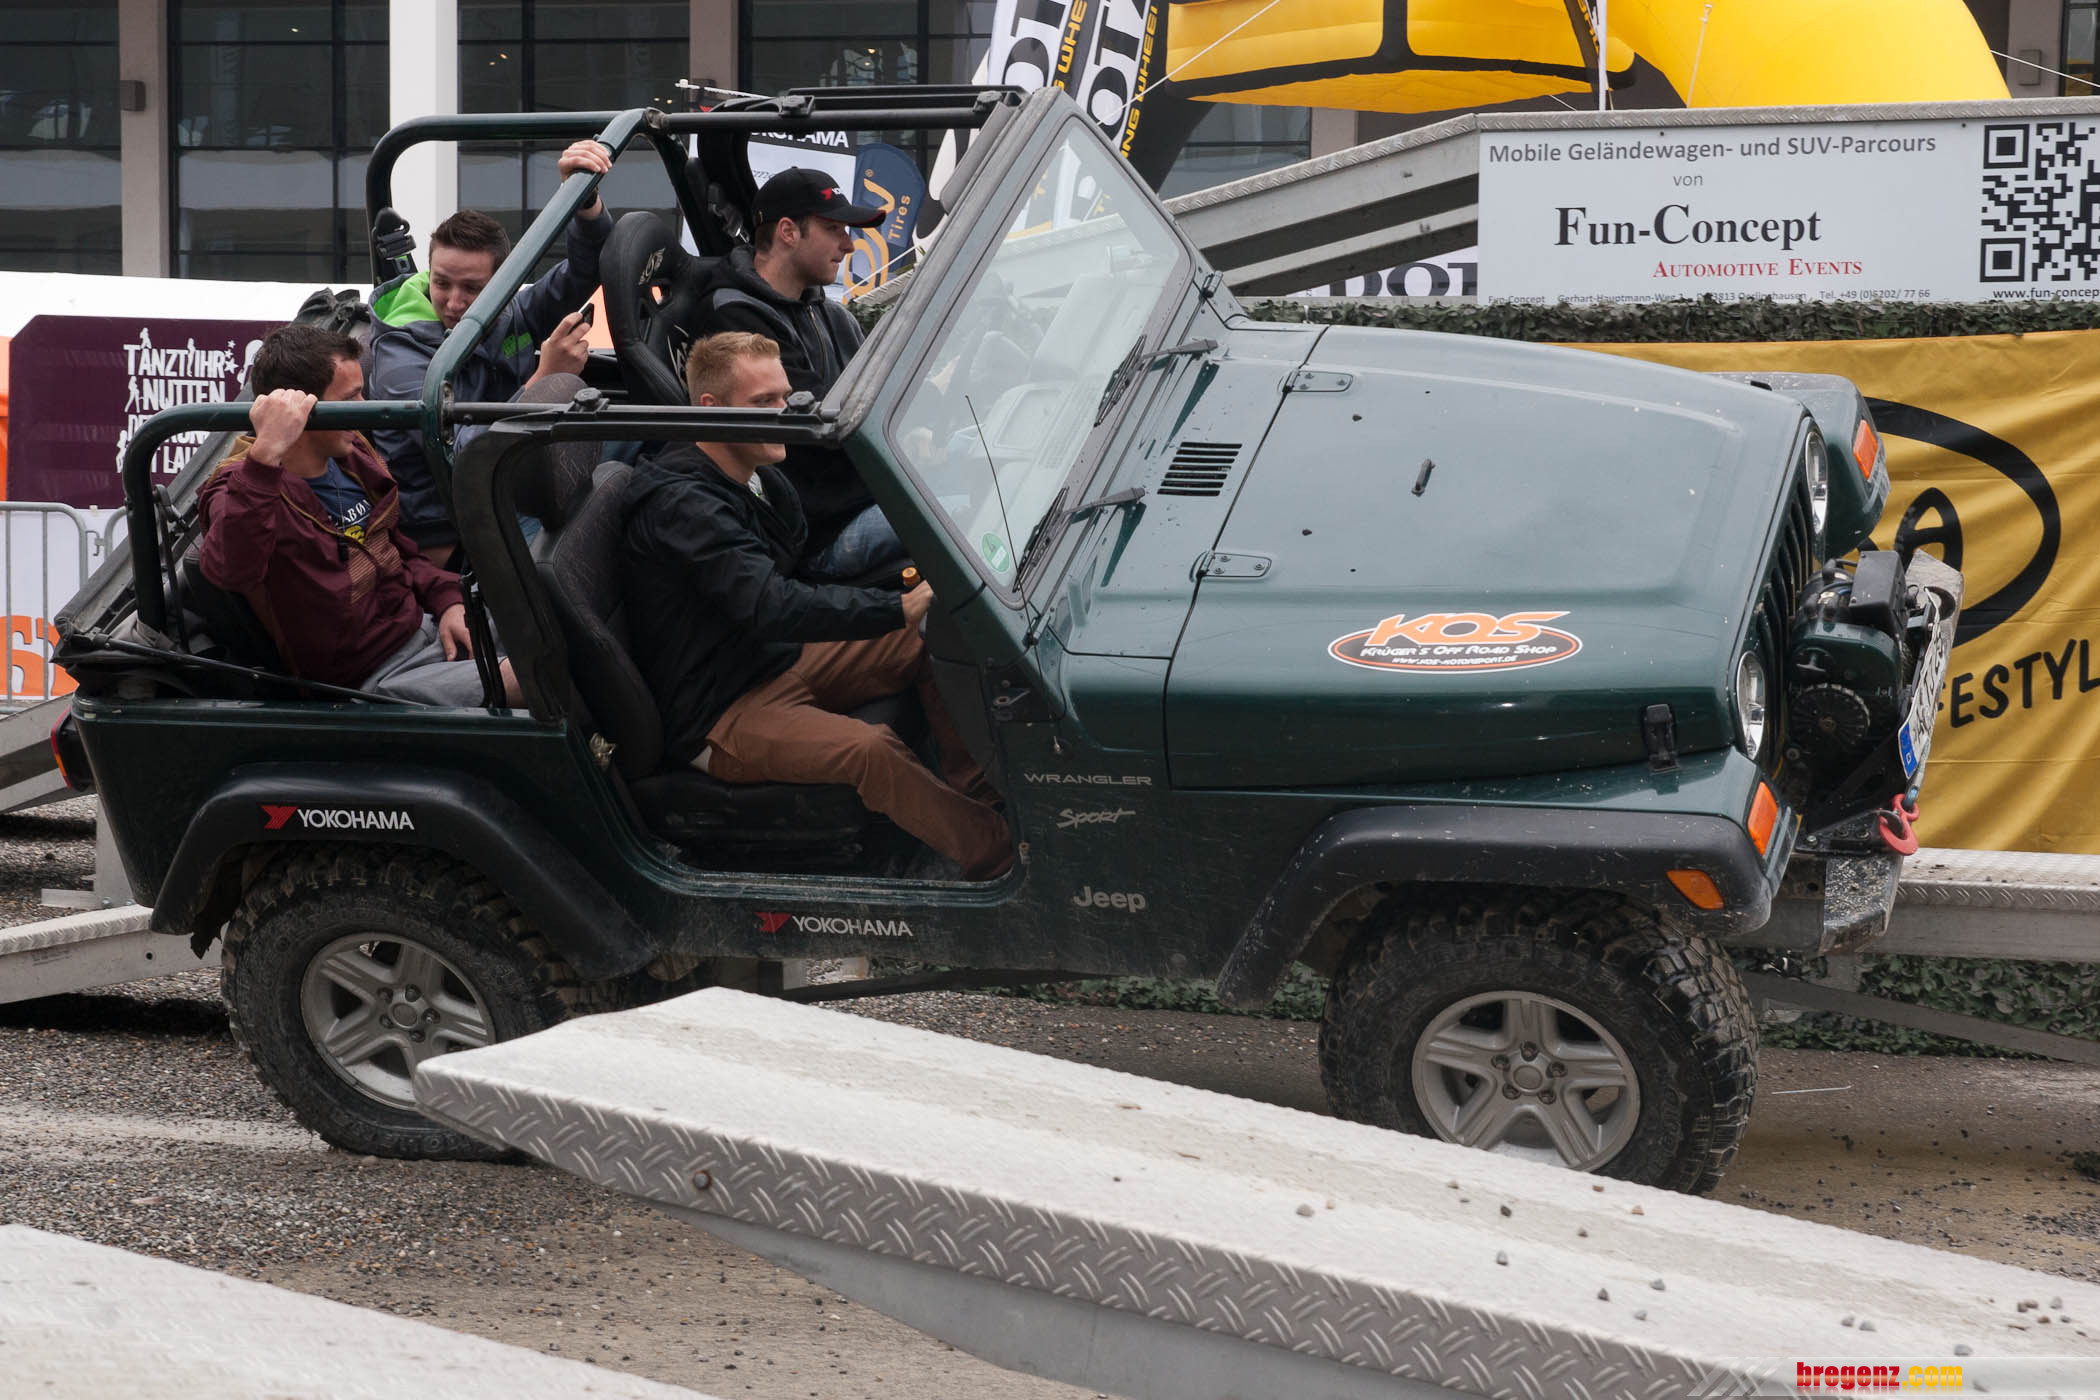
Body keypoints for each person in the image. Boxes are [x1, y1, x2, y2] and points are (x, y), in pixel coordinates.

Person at [621, 332, 1010, 880]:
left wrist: (908, 613)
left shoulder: (753, 476)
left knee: (939, 633)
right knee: (870, 749)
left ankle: (982, 796)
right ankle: (1004, 859)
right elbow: (773, 605)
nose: (783, 413)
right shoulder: (682, 506)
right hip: (721, 713)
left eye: (784, 396)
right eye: (763, 402)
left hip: (774, 658)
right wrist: (895, 607)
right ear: (710, 407)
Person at [198, 324, 520, 708]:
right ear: (300, 412)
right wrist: (265, 455)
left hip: (426, 626)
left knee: (554, 632)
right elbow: (232, 568)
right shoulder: (242, 487)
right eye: (350, 398)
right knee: (539, 682)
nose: (364, 407)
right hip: (373, 678)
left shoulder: (353, 459)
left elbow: (399, 550)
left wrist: (448, 599)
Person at [369, 138, 615, 564]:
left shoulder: (509, 312)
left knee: (642, 450)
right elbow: (467, 455)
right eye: (441, 283)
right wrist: (544, 380)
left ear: (503, 283)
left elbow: (585, 268)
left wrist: (584, 199)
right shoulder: (400, 360)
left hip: (508, 483)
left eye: (472, 288)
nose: (453, 302)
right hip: (453, 527)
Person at [699, 167, 904, 581]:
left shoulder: (825, 312)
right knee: (974, 512)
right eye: (833, 229)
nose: (849, 245)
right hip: (823, 532)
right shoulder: (736, 320)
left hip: (869, 495)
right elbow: (827, 428)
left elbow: (881, 389)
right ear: (788, 232)